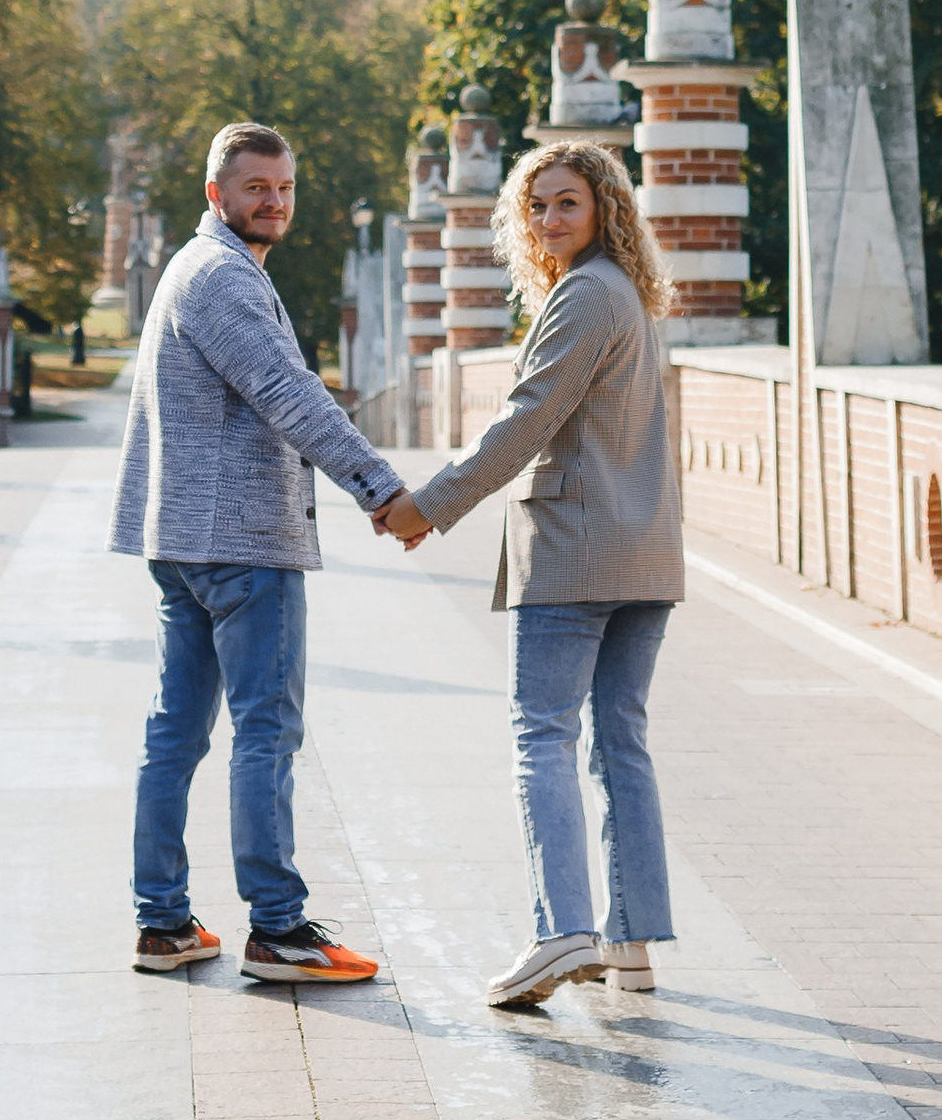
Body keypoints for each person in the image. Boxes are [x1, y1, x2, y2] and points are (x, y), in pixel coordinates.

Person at [375, 140, 682, 1011]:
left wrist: (430, 505)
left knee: (541, 734)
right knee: (619, 739)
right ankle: (629, 940)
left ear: (604, 209)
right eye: (537, 205)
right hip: (643, 552)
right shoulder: (623, 294)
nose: (550, 219)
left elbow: (523, 422)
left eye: (567, 203)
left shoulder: (584, 295)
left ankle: (562, 931)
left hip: (575, 549)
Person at [112, 121, 415, 986]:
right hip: (239, 544)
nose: (273, 202)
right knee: (265, 732)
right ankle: (279, 928)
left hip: (185, 541)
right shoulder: (220, 277)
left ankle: (163, 923)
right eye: (255, 187)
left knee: (175, 735)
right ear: (216, 193)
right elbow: (288, 393)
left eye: (283, 187)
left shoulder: (196, 269)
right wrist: (381, 487)